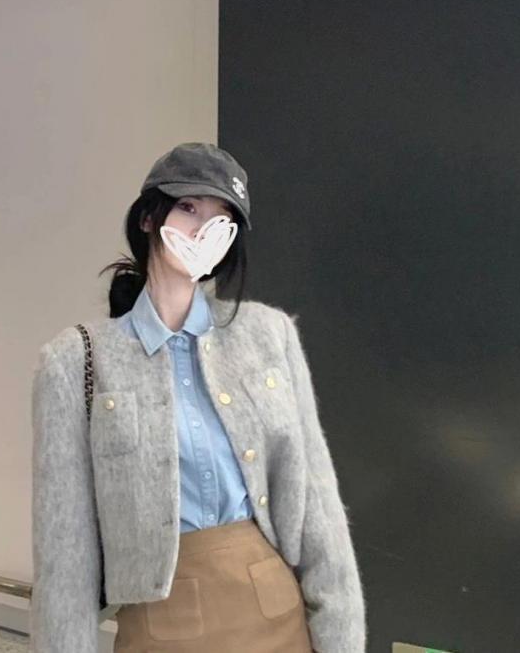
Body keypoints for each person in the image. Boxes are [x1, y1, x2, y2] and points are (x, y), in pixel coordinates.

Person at [30, 142, 367, 652]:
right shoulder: (74, 360)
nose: (203, 229)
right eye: (189, 207)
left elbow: (319, 507)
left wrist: (342, 642)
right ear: (149, 218)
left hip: (275, 612)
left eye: (221, 219)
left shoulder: (268, 334)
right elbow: (64, 547)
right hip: (161, 626)